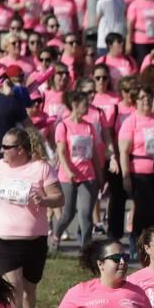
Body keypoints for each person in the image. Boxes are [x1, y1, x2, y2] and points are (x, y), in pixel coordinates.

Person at [0, 126, 62, 308]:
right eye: (2, 146)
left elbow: (59, 197)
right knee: (14, 289)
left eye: (7, 147)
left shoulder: (40, 168)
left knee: (29, 292)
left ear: (21, 149)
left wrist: (44, 199)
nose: (2, 151)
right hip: (5, 239)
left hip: (34, 240)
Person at [118, 82, 154, 253]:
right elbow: (124, 151)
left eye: (149, 97)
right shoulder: (131, 122)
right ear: (136, 101)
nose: (146, 101)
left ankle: (151, 244)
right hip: (140, 173)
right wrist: (126, 176)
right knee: (143, 209)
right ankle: (136, 239)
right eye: (142, 98)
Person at [52, 89, 103, 250]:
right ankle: (56, 235)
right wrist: (68, 171)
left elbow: (93, 153)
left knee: (86, 214)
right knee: (68, 214)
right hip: (68, 177)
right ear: (74, 105)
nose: (88, 107)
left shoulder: (89, 127)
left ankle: (86, 249)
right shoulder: (64, 126)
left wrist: (99, 174)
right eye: (85, 104)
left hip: (88, 176)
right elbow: (60, 151)